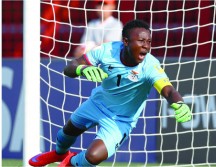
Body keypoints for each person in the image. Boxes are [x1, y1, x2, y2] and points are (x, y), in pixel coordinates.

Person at [29, 19, 192, 167]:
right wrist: (82, 69)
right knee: (67, 131)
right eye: (141, 41)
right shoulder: (106, 51)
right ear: (126, 42)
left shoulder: (150, 65)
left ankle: (69, 162)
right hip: (97, 104)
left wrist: (179, 104)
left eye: (149, 42)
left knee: (93, 157)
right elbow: (69, 68)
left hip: (120, 120)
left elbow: (168, 90)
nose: (146, 46)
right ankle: (59, 153)